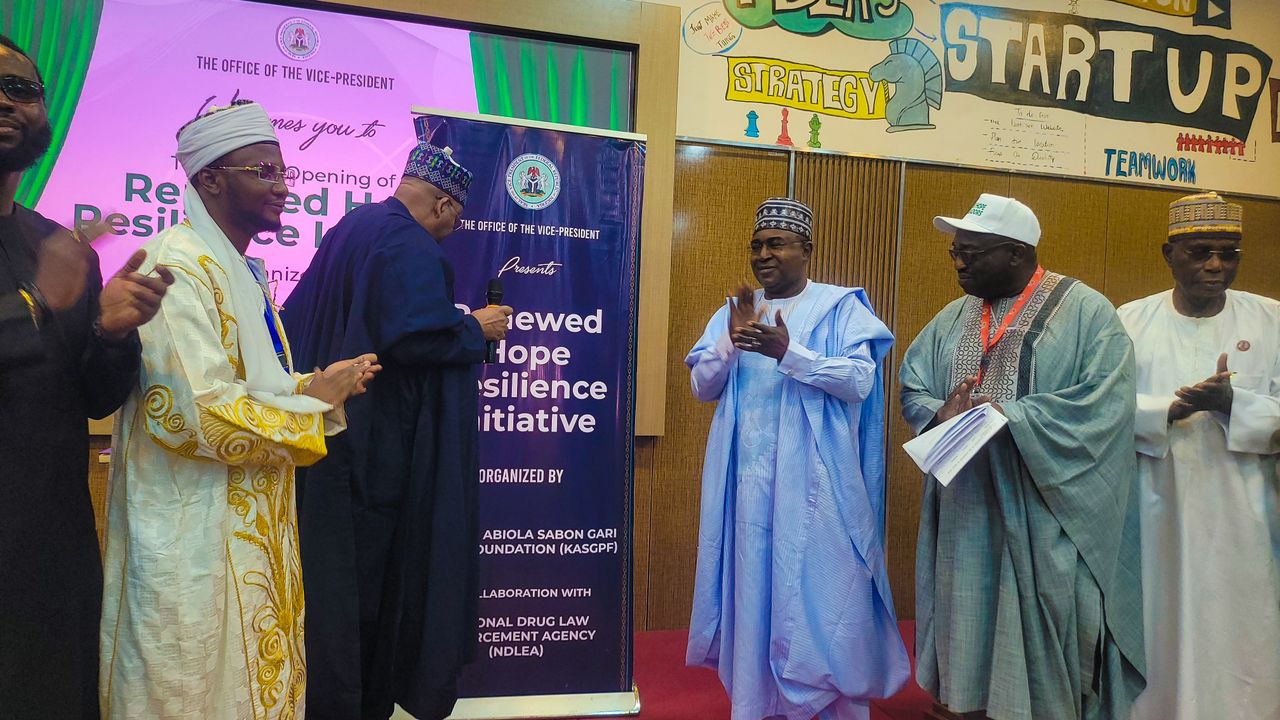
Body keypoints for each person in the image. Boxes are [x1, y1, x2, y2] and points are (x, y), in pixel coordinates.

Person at [99, 100, 378, 719]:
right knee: (190, 677)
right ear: (210, 180)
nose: (283, 189)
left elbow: (253, 383)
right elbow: (191, 413)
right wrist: (310, 411)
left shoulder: (244, 272)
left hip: (253, 519)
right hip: (189, 528)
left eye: (284, 174)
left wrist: (315, 384)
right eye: (264, 172)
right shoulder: (176, 267)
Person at [282, 142, 511, 720]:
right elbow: (411, 338)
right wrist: (474, 328)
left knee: (331, 587)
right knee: (373, 593)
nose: (451, 231)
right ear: (441, 206)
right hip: (377, 448)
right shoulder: (410, 244)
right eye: (454, 220)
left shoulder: (350, 226)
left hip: (327, 438)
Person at [899, 194, 1146, 720]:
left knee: (1050, 639)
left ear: (1015, 253)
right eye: (955, 252)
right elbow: (912, 383)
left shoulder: (1087, 312)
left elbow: (1107, 403)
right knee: (965, 624)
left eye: (972, 252)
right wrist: (941, 414)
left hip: (1045, 512)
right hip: (964, 509)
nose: (960, 262)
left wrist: (1016, 417)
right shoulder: (953, 316)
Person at [0, 34, 172, 719]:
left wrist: (111, 331)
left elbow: (96, 395)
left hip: (48, 555)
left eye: (22, 88)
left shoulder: (55, 245)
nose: (8, 100)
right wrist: (38, 306)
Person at [684, 197, 908, 720]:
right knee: (754, 595)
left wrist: (789, 353)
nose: (764, 255)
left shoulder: (841, 307)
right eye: (757, 245)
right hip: (749, 489)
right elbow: (701, 386)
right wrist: (730, 345)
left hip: (816, 490)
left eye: (776, 244)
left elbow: (859, 381)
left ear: (806, 250)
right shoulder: (735, 309)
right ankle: (759, 706)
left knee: (824, 597)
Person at [1118, 191, 1280, 720]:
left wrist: (1238, 405)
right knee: (1160, 619)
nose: (1216, 265)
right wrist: (1166, 410)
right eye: (1200, 251)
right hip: (1155, 504)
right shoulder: (1128, 322)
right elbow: (1100, 408)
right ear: (1169, 254)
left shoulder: (1272, 320)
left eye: (1228, 253)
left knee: (1242, 623)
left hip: (1245, 511)